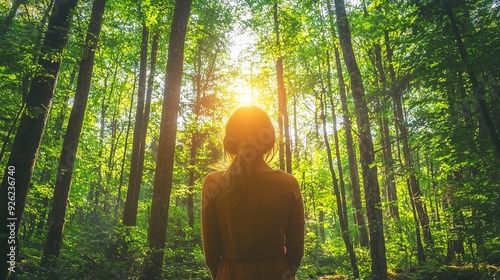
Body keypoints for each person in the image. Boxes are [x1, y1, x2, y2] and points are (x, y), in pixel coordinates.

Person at [201, 106, 305, 280]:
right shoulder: (288, 184)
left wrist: (221, 275)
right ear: (269, 140)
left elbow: (211, 254)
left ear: (230, 140)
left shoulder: (214, 184)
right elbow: (296, 252)